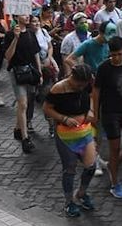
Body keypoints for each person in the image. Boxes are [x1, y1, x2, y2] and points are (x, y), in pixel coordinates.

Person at [42, 63, 98, 216]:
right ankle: (69, 202)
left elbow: (91, 96)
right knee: (70, 168)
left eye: (84, 85)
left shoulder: (86, 85)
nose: (80, 87)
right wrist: (64, 118)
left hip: (84, 131)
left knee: (91, 166)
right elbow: (47, 108)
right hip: (65, 135)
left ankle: (81, 193)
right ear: (72, 77)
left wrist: (91, 111)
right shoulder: (58, 88)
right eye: (78, 84)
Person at [92, 36, 122, 200]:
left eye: (119, 54)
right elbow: (96, 91)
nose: (116, 58)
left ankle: (112, 166)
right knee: (115, 148)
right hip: (110, 113)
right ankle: (114, 182)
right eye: (113, 55)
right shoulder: (103, 68)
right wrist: (95, 113)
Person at [4, 13, 42, 153]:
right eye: (23, 15)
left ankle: (17, 128)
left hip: (30, 72)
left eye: (28, 15)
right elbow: (8, 56)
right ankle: (25, 138)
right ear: (16, 17)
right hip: (16, 72)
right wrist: (15, 38)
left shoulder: (31, 33)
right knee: (23, 103)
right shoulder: (10, 34)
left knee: (27, 101)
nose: (27, 17)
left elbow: (36, 53)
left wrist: (39, 71)